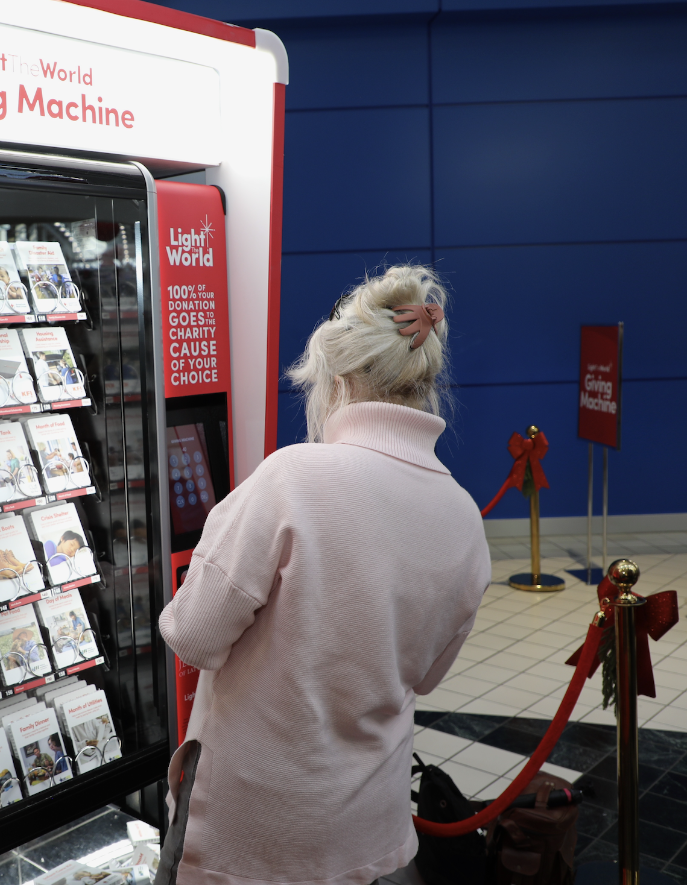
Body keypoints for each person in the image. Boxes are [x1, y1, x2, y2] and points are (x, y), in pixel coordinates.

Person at [155, 265, 490, 885]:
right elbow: (429, 675)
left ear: (337, 380)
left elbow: (194, 634)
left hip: (249, 837)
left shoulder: (296, 477)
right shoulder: (463, 513)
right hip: (372, 832)